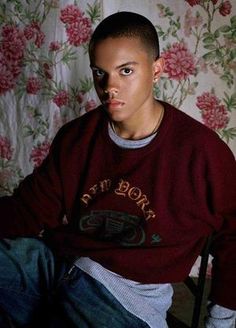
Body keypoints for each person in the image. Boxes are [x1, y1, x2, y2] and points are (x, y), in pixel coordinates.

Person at [0, 11, 235, 328]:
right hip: (60, 266)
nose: (109, 87)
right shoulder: (77, 138)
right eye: (100, 73)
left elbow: (234, 236)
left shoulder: (202, 152)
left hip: (123, 298)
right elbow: (29, 210)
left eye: (125, 71)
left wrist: (221, 322)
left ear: (156, 70)